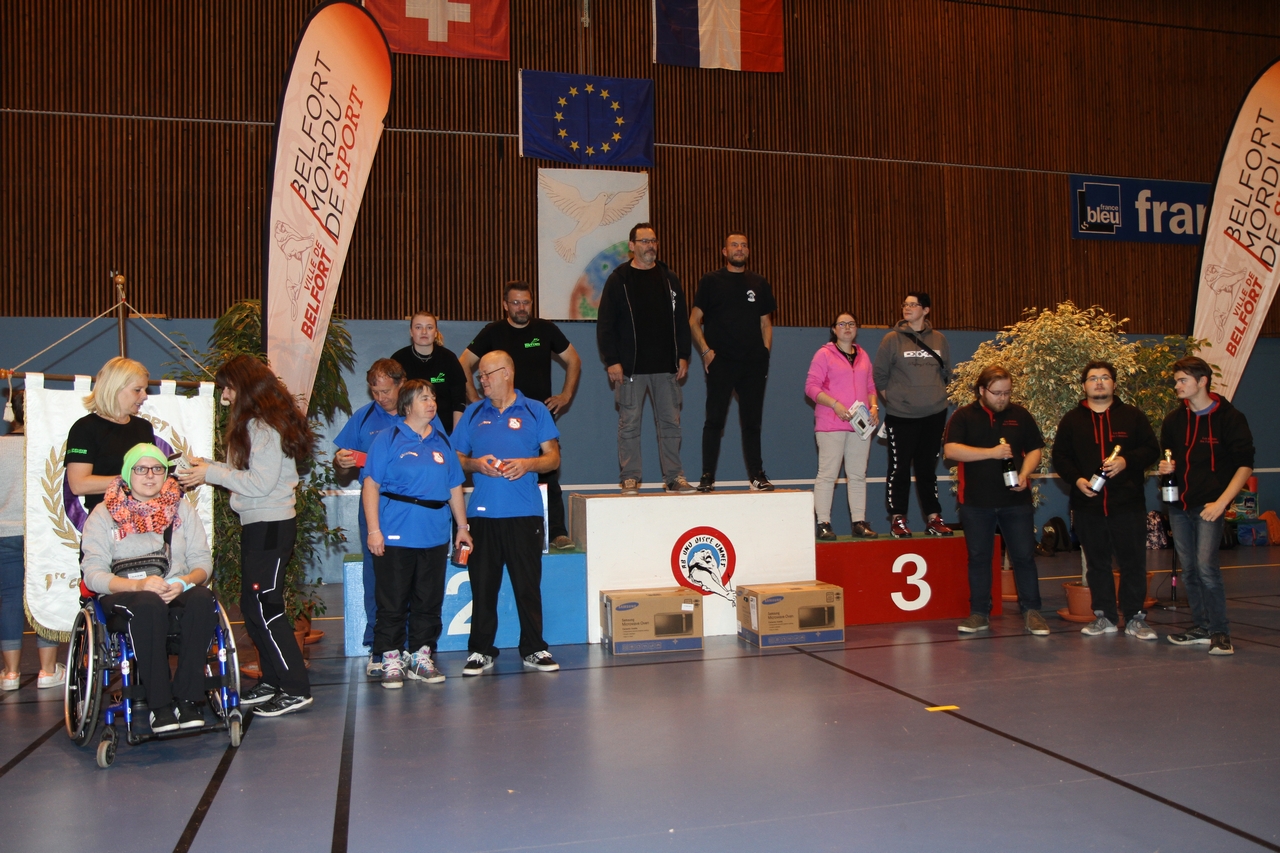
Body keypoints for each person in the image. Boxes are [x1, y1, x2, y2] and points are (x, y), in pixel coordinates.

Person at [178, 355, 315, 717]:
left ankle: (295, 687)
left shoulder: (264, 426)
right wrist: (209, 467)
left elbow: (258, 483)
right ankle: (273, 679)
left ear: (244, 387)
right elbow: (247, 472)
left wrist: (210, 474)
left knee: (266, 607)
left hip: (271, 525)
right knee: (252, 605)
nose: (224, 394)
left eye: (227, 387)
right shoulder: (256, 424)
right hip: (259, 526)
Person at [80, 444, 215, 732]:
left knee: (203, 599)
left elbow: (203, 562)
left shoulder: (181, 509)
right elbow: (92, 574)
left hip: (173, 587)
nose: (150, 476)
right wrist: (138, 585)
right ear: (129, 474)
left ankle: (188, 698)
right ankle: (160, 705)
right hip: (123, 594)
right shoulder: (103, 514)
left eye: (157, 469)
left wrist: (183, 582)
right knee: (148, 604)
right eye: (141, 469)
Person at [451, 351, 561, 675]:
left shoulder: (535, 410)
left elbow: (552, 458)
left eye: (487, 374)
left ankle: (534, 648)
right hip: (482, 517)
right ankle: (481, 650)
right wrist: (475, 464)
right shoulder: (472, 414)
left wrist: (528, 464)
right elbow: (454, 459)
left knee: (528, 586)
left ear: (507, 373)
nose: (481, 381)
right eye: (479, 375)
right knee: (483, 586)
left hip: (525, 514)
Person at [362, 380, 471, 688]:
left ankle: (421, 656)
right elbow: (370, 485)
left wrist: (462, 528)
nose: (431, 401)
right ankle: (391, 658)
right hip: (396, 534)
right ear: (407, 405)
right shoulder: (388, 439)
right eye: (424, 397)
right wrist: (374, 530)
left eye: (433, 396)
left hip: (435, 535)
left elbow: (454, 487)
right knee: (393, 600)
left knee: (428, 600)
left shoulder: (442, 441)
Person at [461, 283, 581, 549]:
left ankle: (558, 532)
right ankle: (492, 530)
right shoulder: (492, 332)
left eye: (526, 302)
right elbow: (462, 364)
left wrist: (565, 395)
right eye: (515, 303)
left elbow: (574, 359)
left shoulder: (545, 329)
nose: (521, 308)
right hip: (499, 417)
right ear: (505, 305)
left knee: (549, 471)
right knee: (497, 470)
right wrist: (474, 399)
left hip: (536, 415)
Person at [1052, 361, 1161, 639]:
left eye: (1104, 378)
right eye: (1092, 378)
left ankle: (1136, 618)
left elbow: (1152, 449)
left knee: (1133, 563)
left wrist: (1127, 461)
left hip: (1127, 505)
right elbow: (1060, 458)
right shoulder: (1071, 420)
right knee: (1097, 564)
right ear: (1084, 385)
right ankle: (1104, 617)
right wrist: (1077, 480)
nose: (1099, 382)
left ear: (1114, 383)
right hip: (1087, 506)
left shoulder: (1133, 417)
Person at [1157, 356, 1254, 655]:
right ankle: (1200, 625)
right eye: (1176, 381)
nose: (1177, 385)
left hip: (1210, 507)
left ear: (1202, 381)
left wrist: (1221, 503)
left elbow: (1244, 466)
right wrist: (1165, 469)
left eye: (1182, 380)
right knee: (1189, 570)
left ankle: (1220, 632)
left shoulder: (1230, 418)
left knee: (1206, 568)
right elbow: (1170, 459)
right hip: (1179, 507)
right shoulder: (1174, 421)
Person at [943, 366, 1049, 635]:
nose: (1003, 398)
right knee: (979, 558)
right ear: (982, 390)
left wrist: (1025, 474)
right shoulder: (963, 416)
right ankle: (979, 613)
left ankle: (1032, 611)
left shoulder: (1020, 415)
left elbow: (1035, 449)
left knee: (1024, 556)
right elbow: (951, 451)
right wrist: (991, 453)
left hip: (1016, 502)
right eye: (997, 393)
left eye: (1007, 393)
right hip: (976, 503)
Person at [596, 222, 695, 495]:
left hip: (667, 369)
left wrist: (683, 355)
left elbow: (681, 321)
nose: (650, 245)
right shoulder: (618, 279)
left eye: (653, 241)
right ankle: (630, 478)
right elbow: (605, 324)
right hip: (630, 369)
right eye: (643, 241)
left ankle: (675, 478)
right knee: (629, 425)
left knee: (671, 425)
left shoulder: (668, 278)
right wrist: (612, 361)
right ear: (632, 245)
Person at [333, 358, 406, 674]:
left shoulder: (421, 413)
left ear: (401, 383)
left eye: (386, 391)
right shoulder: (362, 419)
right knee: (375, 575)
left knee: (412, 576)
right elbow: (340, 470)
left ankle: (414, 644)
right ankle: (379, 644)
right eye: (375, 391)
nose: (381, 398)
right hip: (374, 509)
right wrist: (341, 462)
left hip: (413, 509)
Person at [689, 232, 776, 492]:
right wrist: (706, 352)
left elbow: (766, 323)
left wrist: (764, 354)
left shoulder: (759, 283)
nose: (740, 249)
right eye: (734, 245)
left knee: (752, 422)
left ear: (748, 251)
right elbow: (693, 320)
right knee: (714, 420)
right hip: (722, 362)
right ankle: (707, 477)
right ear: (724, 251)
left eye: (744, 245)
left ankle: (757, 476)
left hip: (753, 364)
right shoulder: (711, 281)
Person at [873, 291, 952, 538]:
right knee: (899, 468)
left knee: (927, 468)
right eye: (905, 304)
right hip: (901, 416)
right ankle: (898, 519)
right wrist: (898, 401)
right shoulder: (891, 340)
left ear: (925, 310)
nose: (907, 308)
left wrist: (936, 398)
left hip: (934, 414)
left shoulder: (939, 339)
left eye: (913, 305)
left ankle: (933, 518)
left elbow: (946, 374)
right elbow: (880, 376)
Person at [1, 392, 63, 691]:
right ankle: (47, 671)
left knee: (10, 600)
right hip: (39, 533)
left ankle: (10, 674)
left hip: (3, 533)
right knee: (44, 595)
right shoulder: (44, 448)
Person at [805, 313, 879, 540]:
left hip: (860, 426)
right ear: (834, 329)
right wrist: (834, 404)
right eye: (842, 324)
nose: (847, 327)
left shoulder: (864, 355)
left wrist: (874, 407)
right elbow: (811, 387)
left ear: (856, 328)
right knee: (827, 475)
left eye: (851, 324)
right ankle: (823, 523)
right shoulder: (823, 354)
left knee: (858, 475)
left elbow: (871, 387)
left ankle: (858, 522)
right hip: (831, 424)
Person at [65, 357, 155, 513]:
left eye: (145, 390)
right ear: (115, 388)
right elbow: (78, 484)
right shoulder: (85, 428)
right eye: (137, 390)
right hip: (104, 523)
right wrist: (130, 480)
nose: (145, 396)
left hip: (145, 521)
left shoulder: (144, 427)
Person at [390, 311, 468, 433]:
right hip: (407, 432)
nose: (424, 332)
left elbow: (459, 401)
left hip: (444, 432)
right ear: (411, 331)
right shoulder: (399, 359)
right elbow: (393, 400)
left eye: (429, 327)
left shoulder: (449, 359)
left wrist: (455, 437)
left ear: (436, 332)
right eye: (418, 327)